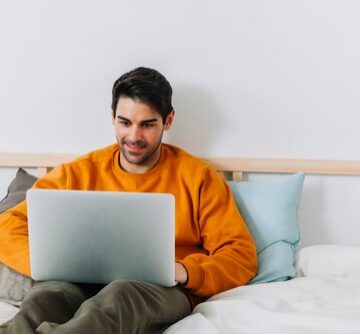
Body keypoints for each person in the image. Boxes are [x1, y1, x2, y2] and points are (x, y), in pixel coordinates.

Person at [0, 67, 257, 333]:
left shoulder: (198, 178)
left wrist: (186, 270)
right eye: (125, 122)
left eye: (147, 125)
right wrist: (51, 263)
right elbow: (7, 226)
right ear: (112, 117)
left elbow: (240, 255)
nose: (134, 137)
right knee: (43, 299)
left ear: (168, 120)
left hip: (158, 289)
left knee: (119, 296)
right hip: (78, 281)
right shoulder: (78, 172)